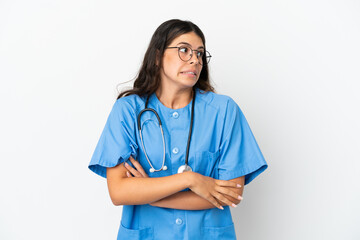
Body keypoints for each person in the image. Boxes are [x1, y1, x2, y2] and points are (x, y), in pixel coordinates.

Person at [88, 19, 268, 240]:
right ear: (157, 56)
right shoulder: (128, 111)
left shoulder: (223, 111)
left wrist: (152, 196)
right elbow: (119, 192)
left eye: (200, 53)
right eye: (184, 50)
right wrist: (190, 180)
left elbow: (230, 194)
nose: (195, 59)